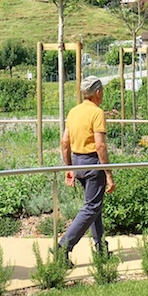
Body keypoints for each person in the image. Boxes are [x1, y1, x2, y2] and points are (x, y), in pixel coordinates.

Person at [59, 75, 114, 260]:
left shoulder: (73, 112)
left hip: (78, 161)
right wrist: (109, 174)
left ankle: (101, 249)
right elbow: (100, 145)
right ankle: (64, 245)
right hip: (92, 164)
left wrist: (69, 167)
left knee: (94, 206)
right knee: (91, 207)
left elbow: (65, 141)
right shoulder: (97, 113)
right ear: (98, 92)